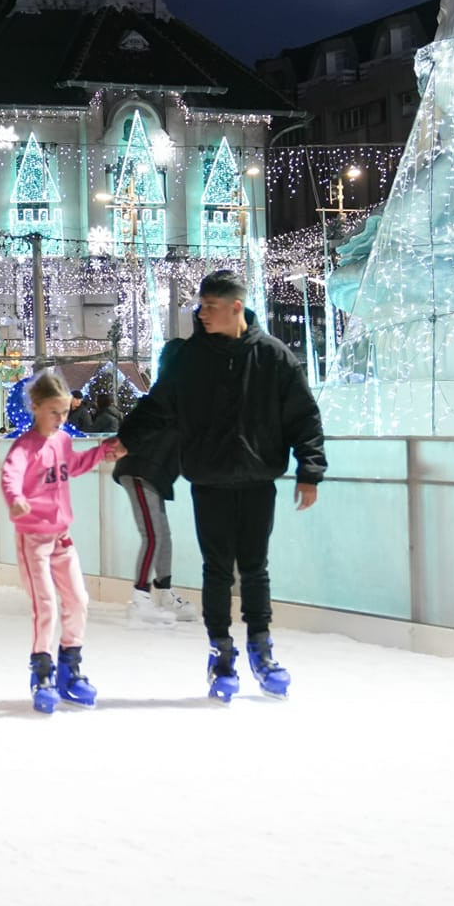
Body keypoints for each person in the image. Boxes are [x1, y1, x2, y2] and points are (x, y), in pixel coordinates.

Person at [118, 270, 325, 702]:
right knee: (216, 569)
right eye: (201, 306)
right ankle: (221, 651)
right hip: (210, 479)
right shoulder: (190, 358)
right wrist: (125, 439)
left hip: (257, 480)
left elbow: (303, 416)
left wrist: (309, 470)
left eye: (211, 306)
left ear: (236, 307)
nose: (202, 313)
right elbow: (158, 405)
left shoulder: (273, 356)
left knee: (254, 568)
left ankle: (261, 649)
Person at [1, 371, 123, 712]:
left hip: (62, 538)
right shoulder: (24, 447)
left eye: (65, 412)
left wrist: (101, 452)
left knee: (78, 600)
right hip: (33, 540)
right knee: (46, 606)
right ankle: (42, 673)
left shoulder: (63, 441)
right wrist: (15, 498)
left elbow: (73, 465)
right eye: (54, 412)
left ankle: (70, 668)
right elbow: (10, 474)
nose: (60, 418)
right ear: (35, 407)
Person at [113, 360, 195, 626]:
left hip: (155, 473)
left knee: (163, 536)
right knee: (153, 535)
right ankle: (140, 597)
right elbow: (140, 419)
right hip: (141, 470)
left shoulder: (187, 401)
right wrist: (123, 442)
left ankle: (165, 593)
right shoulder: (170, 394)